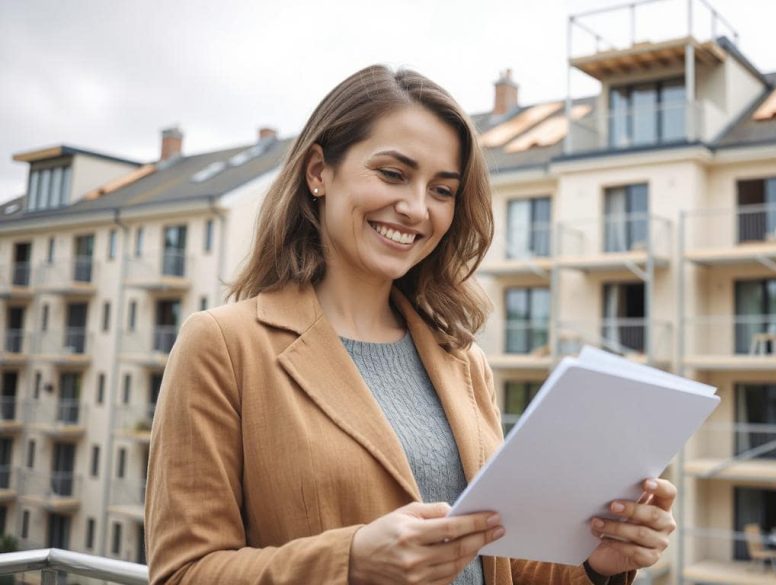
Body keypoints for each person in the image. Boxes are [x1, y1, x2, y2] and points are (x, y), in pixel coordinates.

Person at [144, 64, 677, 585]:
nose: (416, 208)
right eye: (393, 174)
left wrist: (596, 561)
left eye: (442, 190)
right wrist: (348, 562)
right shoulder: (223, 345)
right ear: (317, 172)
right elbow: (184, 572)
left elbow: (496, 563)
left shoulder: (462, 360)